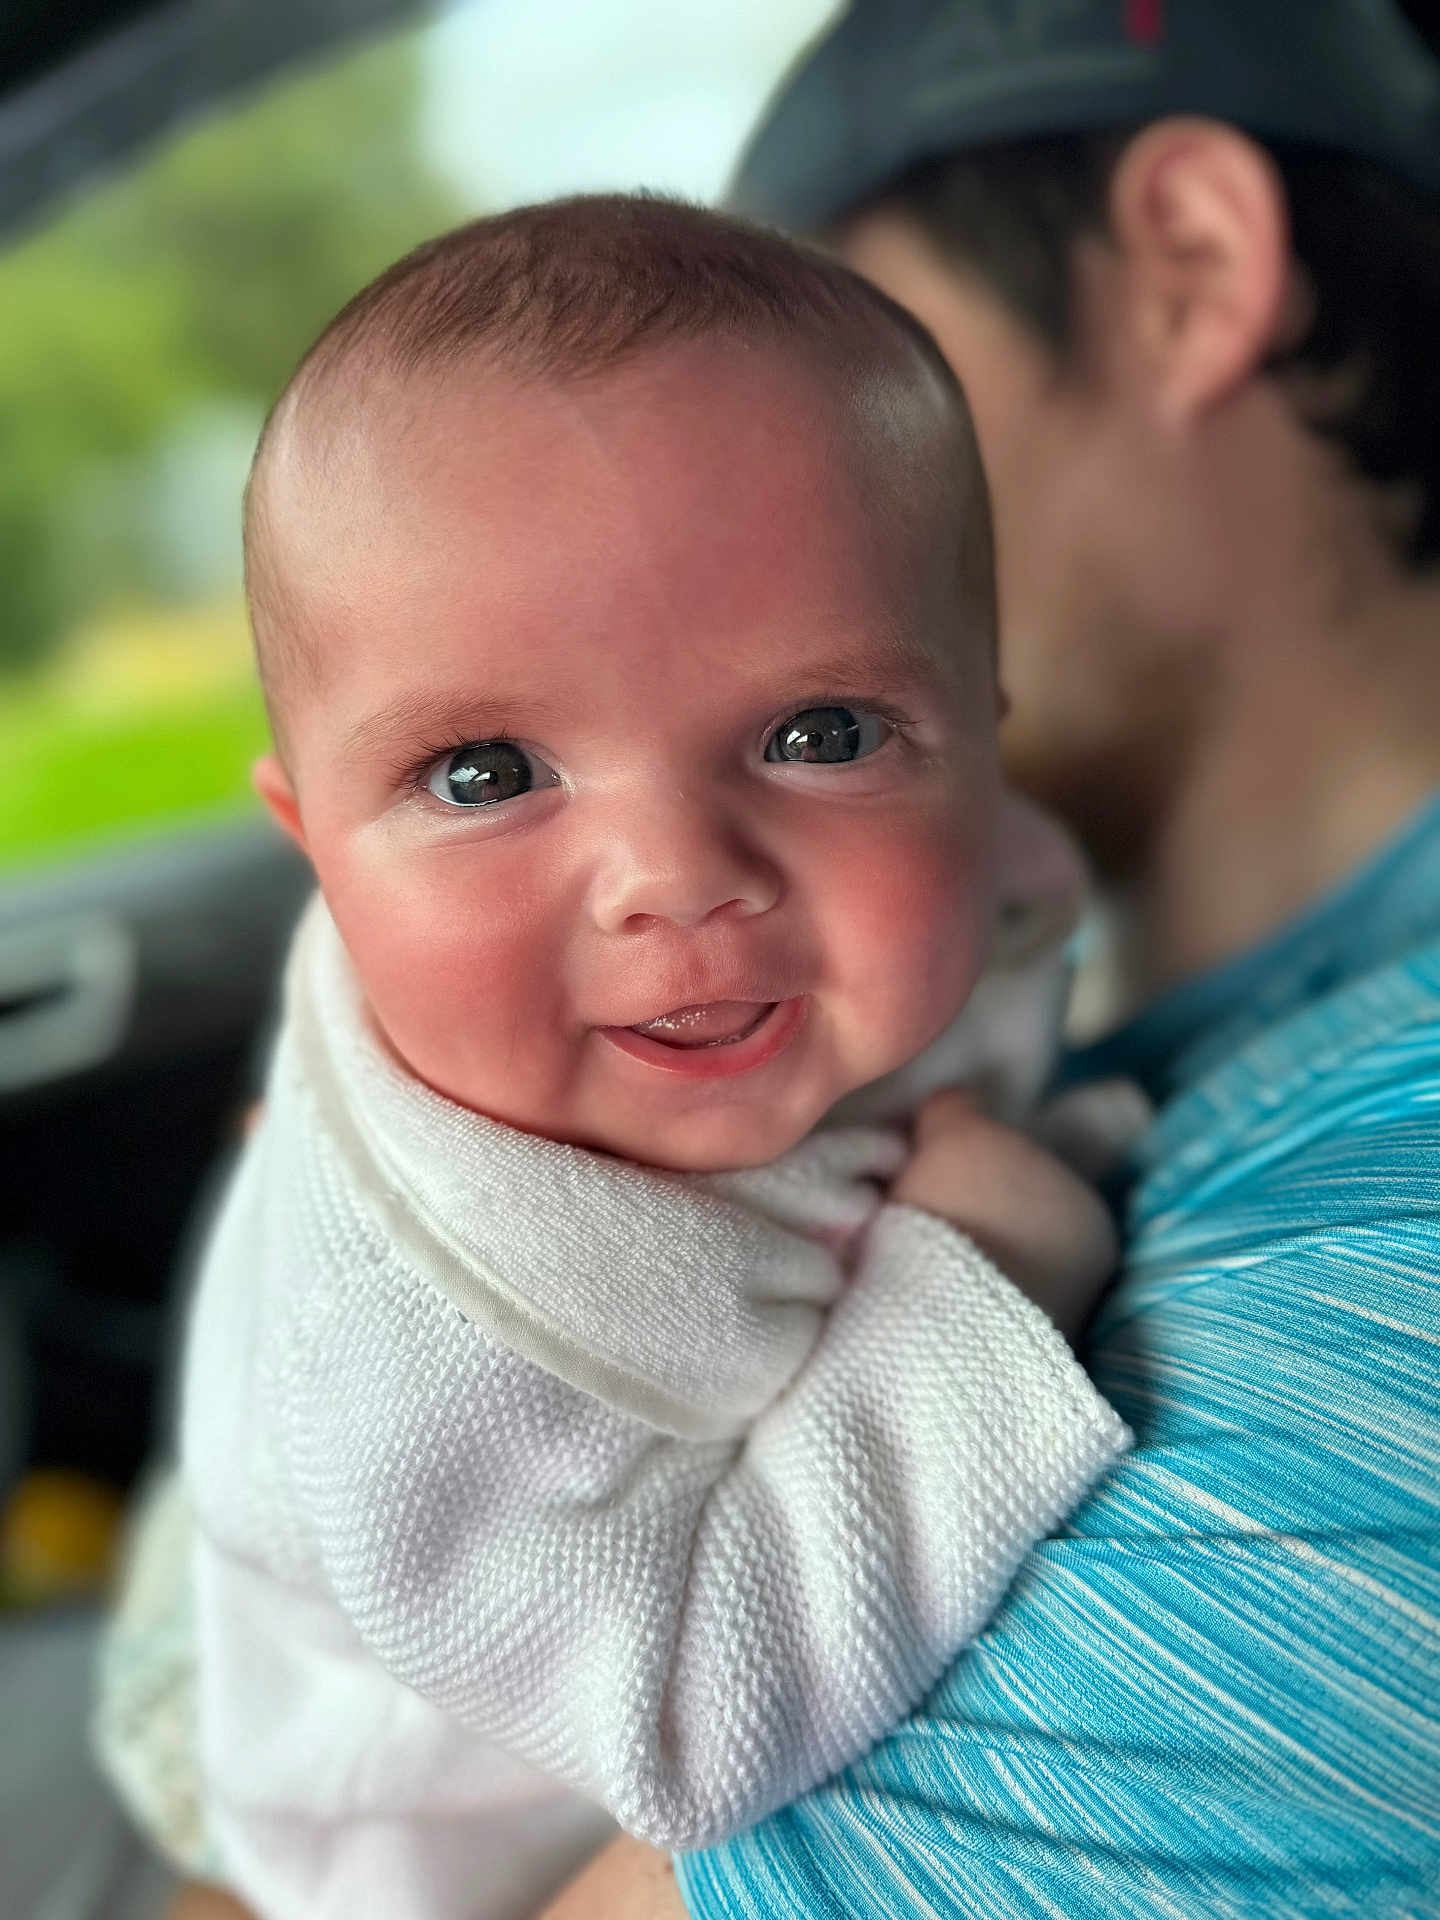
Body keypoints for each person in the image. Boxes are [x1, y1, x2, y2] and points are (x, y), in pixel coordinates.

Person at [550, 2, 1440, 1916]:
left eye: (851, 388)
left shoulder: (1367, 1236)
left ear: (1192, 269)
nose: (725, 568)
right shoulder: (1066, 1013)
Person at [157, 194, 1137, 1920]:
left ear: (985, 742)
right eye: (483, 775)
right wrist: (981, 1269)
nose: (678, 874)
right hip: (426, 1811)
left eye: (819, 732)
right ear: (313, 839)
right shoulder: (417, 1363)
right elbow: (693, 1715)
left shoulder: (968, 884)